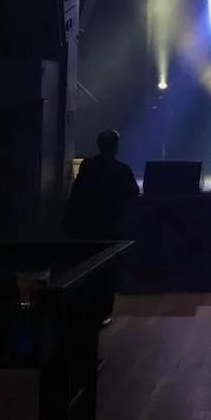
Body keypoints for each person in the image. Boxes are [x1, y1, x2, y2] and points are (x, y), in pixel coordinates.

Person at [63, 129, 139, 325]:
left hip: (88, 225)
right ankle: (103, 312)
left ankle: (86, 309)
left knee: (87, 267)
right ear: (116, 146)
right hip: (111, 226)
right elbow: (133, 193)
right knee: (107, 271)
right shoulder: (121, 170)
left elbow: (77, 194)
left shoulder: (87, 166)